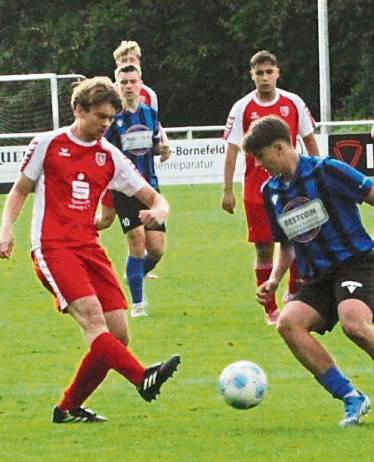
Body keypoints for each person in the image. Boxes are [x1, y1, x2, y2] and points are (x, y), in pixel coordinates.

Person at [0, 76, 180, 423]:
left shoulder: (109, 156)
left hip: (89, 248)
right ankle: (142, 377)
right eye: (100, 116)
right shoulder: (48, 144)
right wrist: (6, 229)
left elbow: (155, 197)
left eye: (111, 119)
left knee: (118, 334)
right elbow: (20, 190)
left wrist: (159, 211)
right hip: (52, 247)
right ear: (78, 110)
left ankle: (68, 408)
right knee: (94, 321)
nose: (105, 125)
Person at [243, 114, 374, 427]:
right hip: (317, 276)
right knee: (288, 324)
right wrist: (274, 280)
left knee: (353, 324)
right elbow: (286, 244)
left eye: (260, 157)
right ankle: (351, 397)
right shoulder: (270, 191)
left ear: (279, 148)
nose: (259, 165)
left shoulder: (326, 170)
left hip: (356, 262)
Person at [222, 50, 320, 325]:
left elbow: (310, 143)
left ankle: (294, 297)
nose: (265, 78)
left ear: (277, 73)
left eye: (269, 72)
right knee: (264, 248)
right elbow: (231, 151)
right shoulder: (242, 107)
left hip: (295, 185)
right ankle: (270, 308)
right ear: (251, 76)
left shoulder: (293, 103)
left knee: (300, 240)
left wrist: (317, 175)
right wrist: (227, 189)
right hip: (257, 189)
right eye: (259, 73)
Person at [99, 64, 170, 318]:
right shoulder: (112, 120)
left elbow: (153, 146)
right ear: (117, 85)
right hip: (124, 189)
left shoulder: (150, 114)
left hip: (149, 186)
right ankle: (138, 304)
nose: (129, 86)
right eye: (124, 82)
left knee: (157, 249)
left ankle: (135, 275)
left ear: (141, 84)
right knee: (136, 240)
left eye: (133, 81)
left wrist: (162, 150)